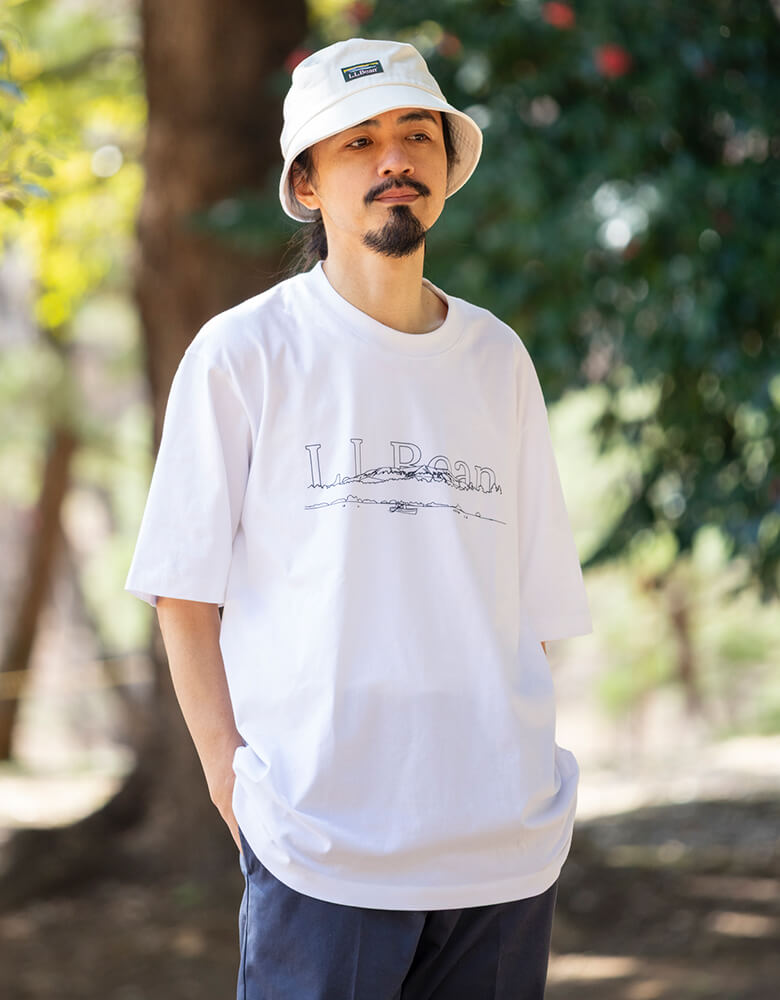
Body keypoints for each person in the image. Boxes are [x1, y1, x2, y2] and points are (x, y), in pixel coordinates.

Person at [125, 36, 592, 1000]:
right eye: (359, 141)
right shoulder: (243, 353)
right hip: (321, 849)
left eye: (416, 135)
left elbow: (536, 605)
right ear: (307, 182)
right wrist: (232, 785)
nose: (394, 160)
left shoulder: (496, 358)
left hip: (503, 852)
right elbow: (183, 591)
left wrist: (519, 773)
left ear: (445, 168)